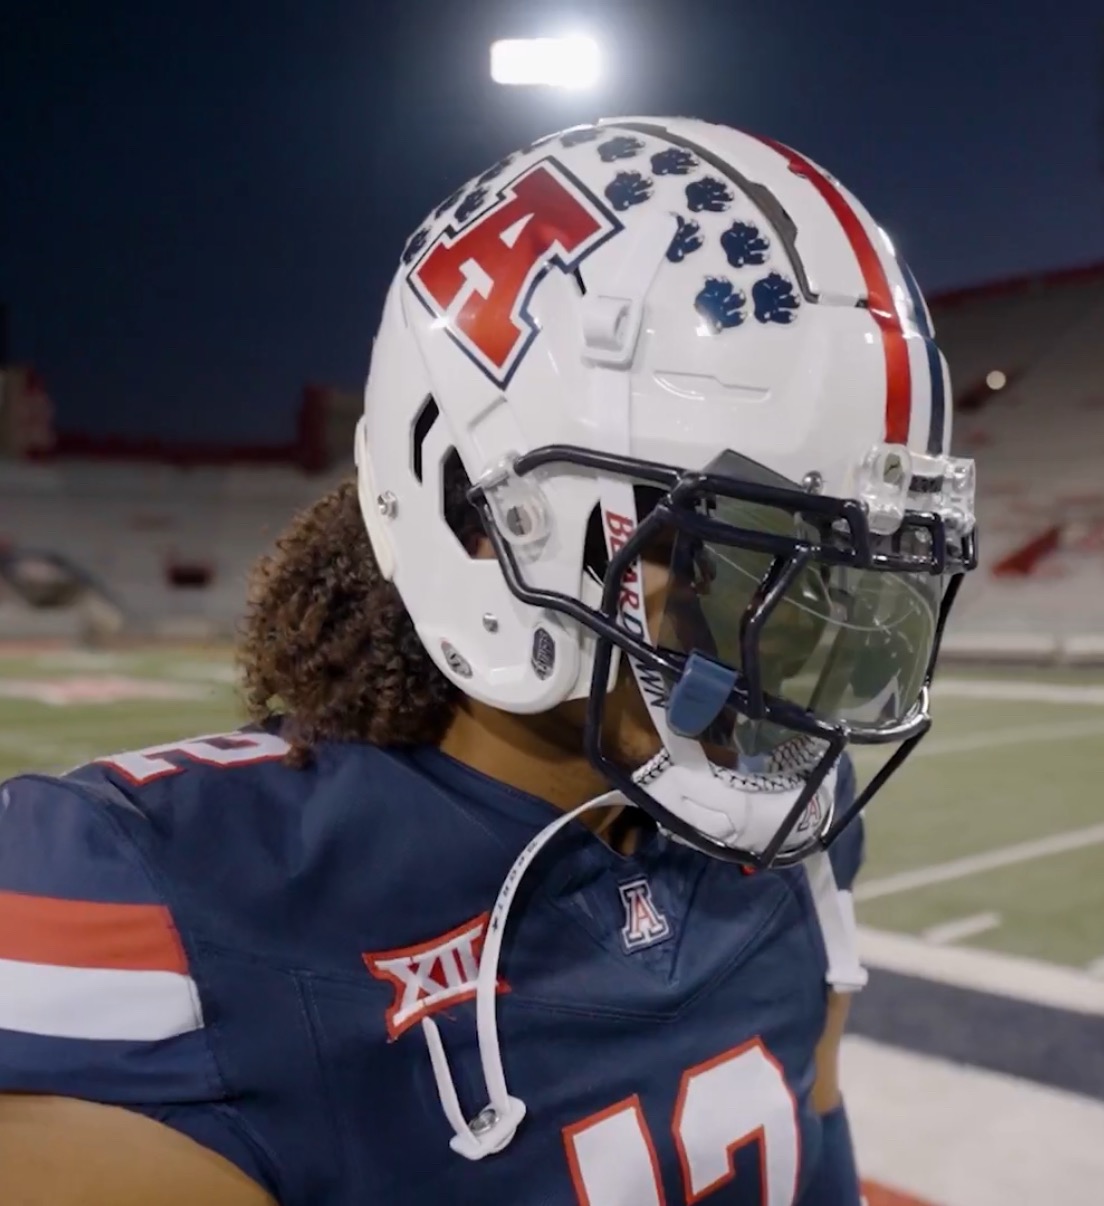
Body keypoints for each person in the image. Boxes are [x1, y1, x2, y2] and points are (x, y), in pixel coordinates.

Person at [0, 116, 976, 1205]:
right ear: (481, 515)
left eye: (843, 573)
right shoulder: (164, 894)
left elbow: (818, 1115)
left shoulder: (797, 829)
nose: (802, 646)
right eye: (731, 556)